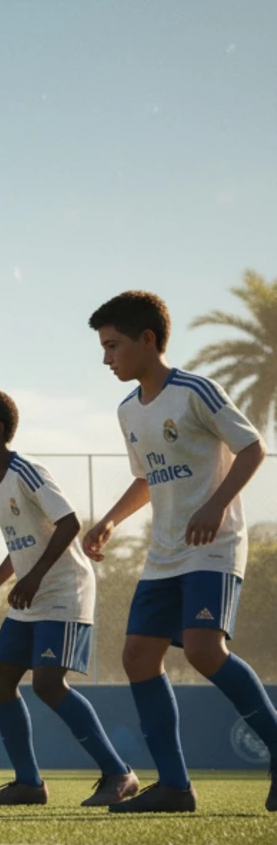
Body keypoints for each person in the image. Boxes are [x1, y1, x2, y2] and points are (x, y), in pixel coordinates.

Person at [82, 290, 277, 814]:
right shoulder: (128, 410)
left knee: (202, 650)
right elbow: (146, 479)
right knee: (138, 657)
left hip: (213, 547)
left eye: (113, 346)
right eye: (103, 348)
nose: (107, 358)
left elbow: (252, 446)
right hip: (164, 554)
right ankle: (174, 786)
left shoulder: (196, 391)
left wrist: (215, 506)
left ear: (148, 340)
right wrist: (109, 521)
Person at [0, 389, 138, 807]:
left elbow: (70, 522)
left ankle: (119, 773)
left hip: (65, 591)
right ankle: (29, 783)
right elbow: (21, 542)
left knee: (48, 682)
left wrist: (35, 577)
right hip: (31, 595)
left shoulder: (26, 471)